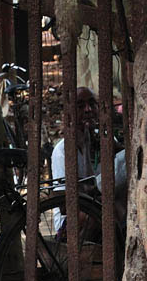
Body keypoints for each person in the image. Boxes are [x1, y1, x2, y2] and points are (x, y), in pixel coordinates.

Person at [50, 87, 127, 233]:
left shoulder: (101, 139)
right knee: (107, 210)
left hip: (101, 206)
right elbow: (67, 205)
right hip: (74, 219)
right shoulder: (62, 151)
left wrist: (113, 146)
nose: (88, 110)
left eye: (92, 104)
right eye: (80, 106)